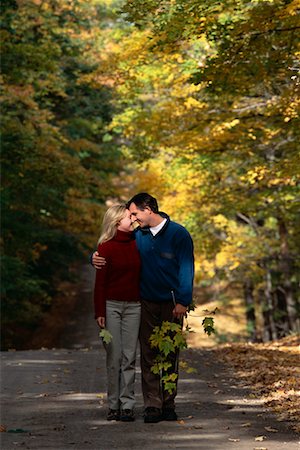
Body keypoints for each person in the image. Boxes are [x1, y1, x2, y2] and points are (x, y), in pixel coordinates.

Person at [92, 193, 194, 423]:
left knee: (170, 352)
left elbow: (187, 268)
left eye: (135, 213)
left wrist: (182, 300)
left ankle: (168, 403)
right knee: (148, 353)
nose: (134, 218)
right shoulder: (138, 236)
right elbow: (113, 247)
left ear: (148, 209)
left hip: (172, 303)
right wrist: (94, 257)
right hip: (145, 302)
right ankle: (152, 406)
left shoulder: (179, 234)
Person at [93, 204, 141, 422]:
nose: (133, 219)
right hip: (111, 306)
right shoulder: (105, 247)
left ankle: (128, 404)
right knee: (114, 356)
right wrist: (99, 311)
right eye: (128, 216)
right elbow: (99, 284)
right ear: (116, 222)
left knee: (129, 357)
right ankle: (113, 405)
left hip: (134, 307)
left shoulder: (139, 242)